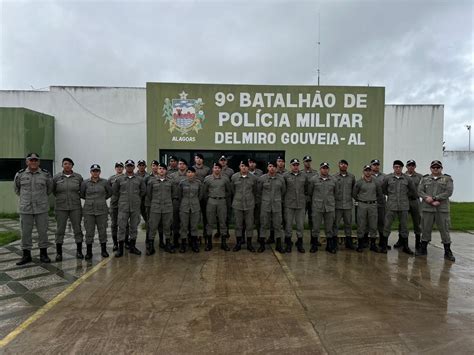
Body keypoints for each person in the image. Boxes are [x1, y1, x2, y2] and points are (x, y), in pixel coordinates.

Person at [14, 153, 53, 265]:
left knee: (43, 232)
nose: (33, 162)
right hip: (26, 208)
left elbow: (49, 189)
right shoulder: (20, 174)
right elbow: (17, 189)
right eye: (31, 160)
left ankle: (43, 254)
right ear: (27, 162)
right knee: (25, 232)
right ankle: (26, 255)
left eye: (36, 160)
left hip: (41, 208)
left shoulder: (45, 174)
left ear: (39, 162)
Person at [416, 160, 455, 262]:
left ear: (441, 168)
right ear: (431, 168)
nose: (436, 169)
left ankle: (447, 251)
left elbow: (449, 192)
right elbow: (420, 191)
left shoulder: (447, 179)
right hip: (427, 208)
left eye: (438, 167)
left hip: (441, 209)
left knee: (444, 230)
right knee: (425, 228)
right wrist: (427, 198)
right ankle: (423, 249)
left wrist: (436, 198)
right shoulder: (425, 179)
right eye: (434, 167)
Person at [381, 160, 417, 254]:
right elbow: (383, 189)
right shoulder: (388, 178)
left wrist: (404, 197)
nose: (397, 169)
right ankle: (384, 246)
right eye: (396, 167)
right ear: (393, 167)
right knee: (387, 226)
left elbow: (412, 191)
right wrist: (392, 196)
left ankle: (405, 246)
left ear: (402, 168)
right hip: (391, 206)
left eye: (399, 167)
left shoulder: (407, 179)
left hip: (403, 206)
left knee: (404, 227)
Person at [113, 159, 146, 257]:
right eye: (128, 166)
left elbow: (143, 191)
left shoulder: (139, 179)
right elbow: (115, 192)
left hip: (135, 207)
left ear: (134, 167)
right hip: (123, 207)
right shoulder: (119, 179)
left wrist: (136, 199)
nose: (129, 167)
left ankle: (132, 247)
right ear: (125, 167)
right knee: (122, 227)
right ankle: (120, 249)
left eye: (131, 166)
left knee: (134, 227)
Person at [53, 157, 84, 261]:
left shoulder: (78, 177)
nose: (67, 165)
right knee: (60, 230)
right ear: (62, 165)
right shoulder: (56, 177)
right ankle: (59, 253)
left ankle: (79, 251)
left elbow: (82, 191)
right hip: (61, 207)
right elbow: (53, 191)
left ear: (72, 166)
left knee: (77, 229)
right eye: (65, 163)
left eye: (69, 164)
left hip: (75, 207)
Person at [80, 164, 112, 260]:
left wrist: (101, 200)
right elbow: (82, 194)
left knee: (102, 230)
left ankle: (104, 250)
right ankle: (89, 252)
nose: (95, 172)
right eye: (93, 171)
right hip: (89, 211)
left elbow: (110, 192)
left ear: (100, 172)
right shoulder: (85, 183)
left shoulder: (105, 182)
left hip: (102, 210)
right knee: (89, 231)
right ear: (90, 172)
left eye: (97, 171)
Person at [393, 159, 423, 252]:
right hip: (404, 201)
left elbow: (421, 189)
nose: (411, 167)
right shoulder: (402, 176)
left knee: (417, 221)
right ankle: (401, 240)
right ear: (406, 167)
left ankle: (418, 242)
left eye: (413, 165)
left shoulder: (420, 177)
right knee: (402, 221)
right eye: (409, 165)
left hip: (415, 201)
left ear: (415, 166)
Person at [257, 161, 286, 253]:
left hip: (277, 205)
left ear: (276, 168)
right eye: (270, 166)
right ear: (267, 168)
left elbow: (283, 191)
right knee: (264, 225)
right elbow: (259, 191)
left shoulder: (281, 179)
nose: (272, 168)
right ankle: (262, 245)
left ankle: (278, 245)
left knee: (277, 225)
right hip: (265, 205)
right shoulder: (262, 179)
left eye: (274, 166)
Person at [353, 165, 383, 253]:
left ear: (371, 171)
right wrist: (361, 200)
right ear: (363, 172)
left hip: (373, 205)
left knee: (373, 225)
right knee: (361, 225)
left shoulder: (376, 182)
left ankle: (373, 245)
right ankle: (360, 245)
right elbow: (354, 194)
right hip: (362, 205)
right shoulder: (359, 182)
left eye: (369, 170)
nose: (368, 172)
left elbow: (379, 193)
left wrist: (373, 199)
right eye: (366, 170)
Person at [309, 162, 337, 254]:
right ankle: (314, 245)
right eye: (323, 168)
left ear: (328, 169)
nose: (325, 169)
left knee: (329, 228)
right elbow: (310, 192)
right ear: (320, 169)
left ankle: (329, 246)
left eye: (326, 168)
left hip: (329, 207)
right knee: (315, 227)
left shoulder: (333, 180)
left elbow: (336, 193)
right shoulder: (314, 179)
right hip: (317, 207)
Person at [203, 162, 232, 251]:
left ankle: (224, 243)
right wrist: (210, 197)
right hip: (211, 201)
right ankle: (209, 244)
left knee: (223, 221)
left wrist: (221, 195)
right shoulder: (207, 179)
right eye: (215, 168)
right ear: (213, 169)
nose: (217, 169)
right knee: (210, 222)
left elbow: (229, 191)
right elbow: (204, 191)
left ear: (221, 169)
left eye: (219, 168)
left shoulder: (225, 179)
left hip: (222, 201)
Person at [147, 163, 175, 253]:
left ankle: (167, 245)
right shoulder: (151, 181)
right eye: (160, 168)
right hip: (155, 207)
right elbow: (149, 194)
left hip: (167, 207)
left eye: (163, 168)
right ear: (157, 170)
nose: (161, 170)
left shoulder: (171, 181)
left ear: (166, 170)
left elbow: (173, 193)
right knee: (153, 226)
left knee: (167, 226)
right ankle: (151, 247)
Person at [231, 161, 258, 252]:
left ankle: (249, 244)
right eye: (242, 166)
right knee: (238, 225)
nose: (244, 168)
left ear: (248, 167)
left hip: (249, 205)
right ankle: (238, 243)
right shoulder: (234, 177)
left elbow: (255, 191)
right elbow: (232, 190)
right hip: (238, 204)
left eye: (246, 166)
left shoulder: (253, 178)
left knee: (249, 225)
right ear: (239, 167)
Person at [283, 158, 307, 253]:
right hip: (289, 204)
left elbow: (307, 189)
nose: (295, 166)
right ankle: (288, 243)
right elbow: (283, 190)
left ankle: (299, 243)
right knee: (288, 225)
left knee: (300, 225)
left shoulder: (304, 176)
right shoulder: (285, 176)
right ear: (290, 166)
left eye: (297, 165)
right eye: (294, 165)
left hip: (300, 205)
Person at [333, 159, 356, 250]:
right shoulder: (334, 177)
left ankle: (349, 242)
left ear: (347, 166)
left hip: (347, 205)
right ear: (339, 165)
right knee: (335, 224)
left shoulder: (351, 177)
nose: (343, 165)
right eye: (341, 164)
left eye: (345, 164)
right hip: (337, 205)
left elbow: (354, 190)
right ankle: (334, 243)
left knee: (348, 224)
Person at [178, 167, 202, 253]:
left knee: (194, 226)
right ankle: (183, 244)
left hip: (195, 206)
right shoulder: (182, 183)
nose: (190, 174)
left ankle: (194, 244)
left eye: (192, 172)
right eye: (188, 172)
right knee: (184, 226)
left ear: (195, 173)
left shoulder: (198, 183)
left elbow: (200, 195)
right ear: (186, 173)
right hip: (184, 206)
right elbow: (179, 195)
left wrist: (195, 201)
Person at [170, 158, 189, 249]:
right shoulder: (172, 176)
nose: (181, 165)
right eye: (180, 164)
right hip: (176, 201)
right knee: (175, 221)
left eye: (183, 164)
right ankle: (175, 240)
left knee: (185, 222)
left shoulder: (189, 175)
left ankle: (185, 241)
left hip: (186, 201)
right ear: (178, 165)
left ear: (186, 166)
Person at [108, 162, 126, 251]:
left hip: (124, 204)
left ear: (123, 168)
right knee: (114, 224)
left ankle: (125, 241)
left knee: (125, 224)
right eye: (117, 167)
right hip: (114, 204)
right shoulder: (111, 178)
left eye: (120, 167)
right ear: (115, 168)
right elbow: (107, 190)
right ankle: (115, 243)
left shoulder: (126, 177)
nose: (119, 168)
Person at [193, 153, 211, 243]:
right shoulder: (191, 169)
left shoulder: (207, 169)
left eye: (200, 158)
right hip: (194, 196)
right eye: (197, 158)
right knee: (194, 216)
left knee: (205, 216)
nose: (199, 160)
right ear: (195, 159)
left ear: (202, 160)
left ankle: (205, 232)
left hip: (204, 196)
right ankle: (194, 234)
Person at [302, 155, 320, 249]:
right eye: (306, 161)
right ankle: (299, 240)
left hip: (313, 199)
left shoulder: (316, 173)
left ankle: (314, 239)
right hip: (303, 199)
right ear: (303, 162)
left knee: (313, 221)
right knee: (301, 220)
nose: (308, 163)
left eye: (309, 161)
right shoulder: (301, 173)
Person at [371, 159, 388, 250]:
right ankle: (368, 242)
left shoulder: (384, 177)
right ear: (371, 166)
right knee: (370, 222)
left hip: (381, 203)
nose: (376, 166)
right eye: (374, 165)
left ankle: (382, 242)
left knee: (382, 222)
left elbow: (387, 188)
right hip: (372, 202)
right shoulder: (368, 175)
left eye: (377, 164)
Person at [143, 160, 160, 255]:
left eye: (156, 165)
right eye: (153, 165)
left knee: (160, 223)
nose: (155, 167)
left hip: (159, 204)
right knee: (150, 223)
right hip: (149, 204)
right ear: (151, 167)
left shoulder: (162, 177)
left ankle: (161, 241)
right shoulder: (147, 178)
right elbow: (144, 191)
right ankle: (148, 241)